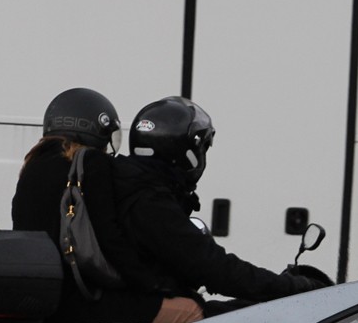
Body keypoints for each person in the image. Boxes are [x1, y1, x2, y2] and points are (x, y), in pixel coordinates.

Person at [11, 88, 204, 323]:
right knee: (191, 311)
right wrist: (155, 285)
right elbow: (109, 237)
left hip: (45, 305)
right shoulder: (90, 163)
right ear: (97, 128)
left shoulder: (32, 167)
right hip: (81, 304)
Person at [112, 96, 327, 309]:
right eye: (202, 148)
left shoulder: (131, 185)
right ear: (185, 152)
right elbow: (216, 269)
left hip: (130, 306)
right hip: (132, 317)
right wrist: (297, 287)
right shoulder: (151, 202)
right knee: (237, 320)